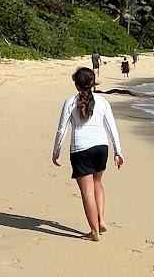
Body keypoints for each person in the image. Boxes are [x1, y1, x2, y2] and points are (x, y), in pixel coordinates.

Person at [51, 67, 123, 240]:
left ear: (76, 84)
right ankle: (101, 220)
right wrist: (118, 151)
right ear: (93, 82)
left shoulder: (70, 102)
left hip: (81, 149)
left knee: (87, 191)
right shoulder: (103, 102)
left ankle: (94, 231)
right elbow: (111, 126)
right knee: (97, 183)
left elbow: (62, 130)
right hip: (101, 147)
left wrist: (56, 151)